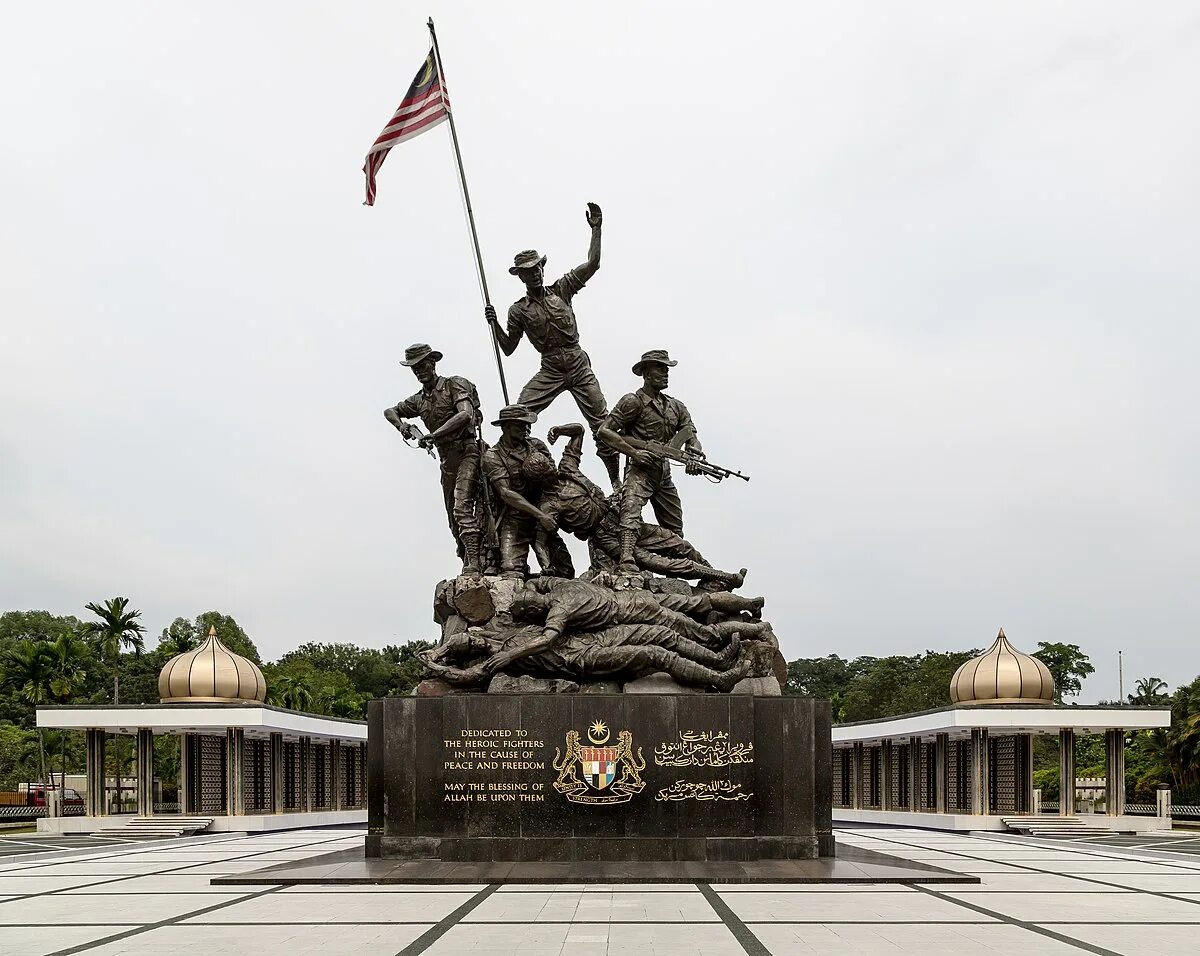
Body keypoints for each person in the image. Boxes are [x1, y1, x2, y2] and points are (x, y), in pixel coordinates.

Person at [485, 202, 621, 488]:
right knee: (517, 412)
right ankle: (518, 470)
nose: (534, 273)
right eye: (527, 271)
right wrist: (495, 323)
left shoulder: (562, 289)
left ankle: (616, 483)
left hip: (578, 364)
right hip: (550, 368)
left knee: (603, 426)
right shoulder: (518, 310)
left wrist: (596, 229)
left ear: (542, 269)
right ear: (520, 276)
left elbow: (593, 264)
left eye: (536, 268)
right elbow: (509, 348)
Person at [525, 423, 747, 588]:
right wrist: (547, 567)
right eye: (546, 472)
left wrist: (558, 430)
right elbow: (540, 542)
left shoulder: (567, 468)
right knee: (658, 563)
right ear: (539, 479)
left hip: (618, 515)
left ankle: (712, 577)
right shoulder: (548, 505)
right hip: (605, 537)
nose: (551, 470)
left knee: (676, 543)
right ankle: (724, 577)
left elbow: (579, 431)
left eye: (549, 465)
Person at [420, 622, 768, 693]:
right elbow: (466, 678)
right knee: (654, 654)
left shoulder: (505, 634)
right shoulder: (497, 661)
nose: (477, 640)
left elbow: (465, 636)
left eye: (475, 638)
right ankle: (720, 678)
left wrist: (440, 649)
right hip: (584, 659)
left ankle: (717, 658)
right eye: (472, 644)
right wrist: (437, 666)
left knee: (656, 632)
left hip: (588, 638)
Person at [384, 343, 484, 574]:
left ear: (433, 363)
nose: (420, 370)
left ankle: (477, 564)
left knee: (462, 507)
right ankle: (466, 560)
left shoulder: (453, 384)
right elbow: (390, 411)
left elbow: (466, 415)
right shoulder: (419, 400)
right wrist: (402, 427)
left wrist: (434, 435)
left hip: (468, 453)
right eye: (415, 368)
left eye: (423, 365)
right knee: (452, 518)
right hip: (447, 460)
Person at [510, 576, 767, 648]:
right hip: (638, 597)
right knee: (702, 602)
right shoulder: (561, 586)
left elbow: (547, 639)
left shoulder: (558, 611)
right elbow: (538, 582)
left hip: (639, 614)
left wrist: (510, 654)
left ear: (534, 610)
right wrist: (526, 589)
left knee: (703, 636)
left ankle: (756, 629)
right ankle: (749, 603)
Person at [480, 404, 568, 578]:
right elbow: (506, 493)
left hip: (544, 512)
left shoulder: (536, 446)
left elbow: (553, 477)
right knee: (511, 569)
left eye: (528, 424)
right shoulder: (493, 456)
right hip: (516, 519)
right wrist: (540, 515)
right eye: (520, 424)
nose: (526, 428)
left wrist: (547, 511)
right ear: (505, 427)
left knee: (564, 570)